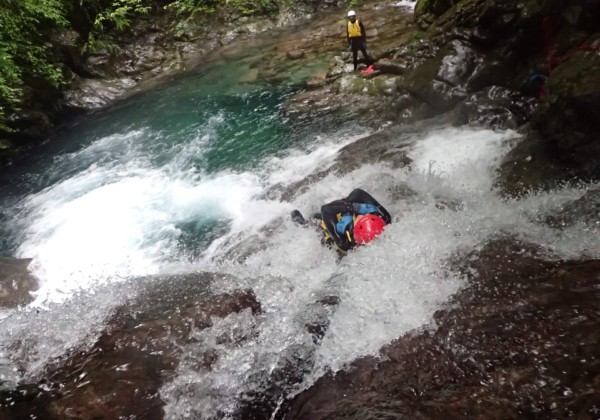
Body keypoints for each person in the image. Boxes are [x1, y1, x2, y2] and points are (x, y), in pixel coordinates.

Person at [291, 188, 391, 254]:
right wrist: (350, 205)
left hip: (337, 223)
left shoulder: (344, 240)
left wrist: (338, 239)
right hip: (342, 211)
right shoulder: (384, 217)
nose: (361, 215)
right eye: (364, 216)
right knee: (318, 219)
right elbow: (358, 192)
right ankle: (303, 220)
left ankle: (303, 221)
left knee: (321, 229)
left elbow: (326, 210)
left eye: (361, 218)